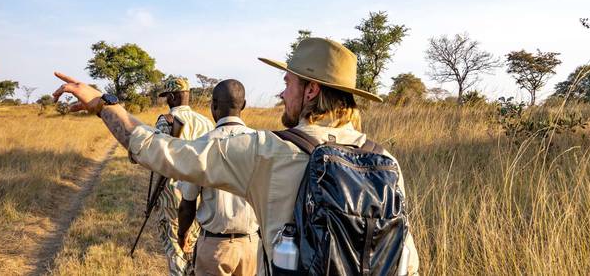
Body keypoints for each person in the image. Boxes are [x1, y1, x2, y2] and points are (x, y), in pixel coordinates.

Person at [52, 37, 420, 275]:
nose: (282, 94)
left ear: (311, 91)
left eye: (288, 83)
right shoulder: (384, 160)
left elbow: (160, 152)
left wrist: (103, 104)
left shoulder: (269, 151)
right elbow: (405, 258)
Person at [177, 79, 260, 276]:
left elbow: (187, 205)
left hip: (215, 246)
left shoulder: (201, 145)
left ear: (213, 105)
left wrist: (182, 234)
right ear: (244, 105)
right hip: (252, 245)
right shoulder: (261, 144)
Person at [151, 77, 215, 276]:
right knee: (193, 247)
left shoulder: (166, 120)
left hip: (172, 196)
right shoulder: (206, 122)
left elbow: (158, 159)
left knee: (175, 251)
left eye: (166, 97)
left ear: (172, 97)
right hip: (200, 196)